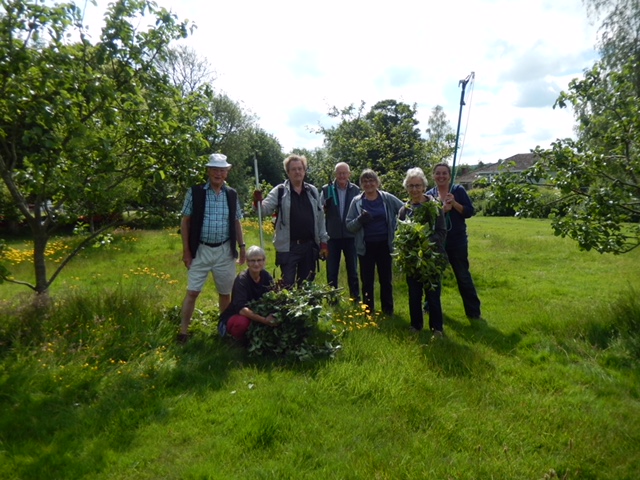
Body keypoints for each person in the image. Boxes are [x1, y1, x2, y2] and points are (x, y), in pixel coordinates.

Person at [178, 153, 246, 344]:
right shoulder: (196, 192)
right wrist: (186, 251)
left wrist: (242, 247)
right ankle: (183, 331)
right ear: (208, 171)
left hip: (225, 250)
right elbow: (185, 222)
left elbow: (236, 222)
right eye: (215, 169)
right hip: (200, 249)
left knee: (225, 293)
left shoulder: (231, 194)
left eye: (222, 170)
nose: (218, 173)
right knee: (192, 291)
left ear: (227, 172)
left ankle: (223, 330)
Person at [253, 154, 329, 288]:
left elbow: (320, 218)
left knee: (306, 285)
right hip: (288, 247)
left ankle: (307, 309)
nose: (297, 172)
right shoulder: (280, 191)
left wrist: (323, 242)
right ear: (288, 172)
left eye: (300, 168)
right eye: (293, 169)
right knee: (287, 284)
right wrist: (257, 201)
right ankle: (288, 309)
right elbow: (263, 211)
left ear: (304, 171)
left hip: (309, 246)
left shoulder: (312, 191)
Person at [427, 162, 482, 320]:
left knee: (463, 276)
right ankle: (429, 306)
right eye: (438, 173)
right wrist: (442, 211)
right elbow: (429, 220)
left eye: (444, 173)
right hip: (437, 242)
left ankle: (473, 313)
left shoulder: (457, 190)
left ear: (450, 176)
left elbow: (469, 212)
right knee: (433, 276)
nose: (441, 176)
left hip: (457, 241)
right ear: (433, 176)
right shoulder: (430, 194)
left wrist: (455, 204)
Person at [346, 169, 403, 315]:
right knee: (367, 281)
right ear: (361, 184)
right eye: (365, 181)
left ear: (377, 182)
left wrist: (398, 228)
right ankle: (368, 311)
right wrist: (359, 220)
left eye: (371, 180)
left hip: (385, 244)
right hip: (365, 247)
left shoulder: (386, 198)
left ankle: (388, 310)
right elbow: (349, 225)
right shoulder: (357, 202)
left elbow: (404, 209)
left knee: (386, 280)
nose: (368, 183)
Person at [398, 167, 447, 336]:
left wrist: (425, 243)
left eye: (417, 185)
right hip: (412, 261)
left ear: (424, 187)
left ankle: (437, 329)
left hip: (431, 259)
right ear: (407, 188)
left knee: (433, 295)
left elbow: (441, 232)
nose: (414, 189)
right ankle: (416, 326)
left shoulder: (434, 207)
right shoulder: (404, 210)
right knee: (414, 294)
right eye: (411, 186)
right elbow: (400, 235)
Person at [320, 162, 361, 302]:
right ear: (335, 174)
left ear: (349, 174)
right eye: (339, 173)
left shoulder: (356, 190)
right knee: (332, 271)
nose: (342, 176)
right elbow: (319, 212)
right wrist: (324, 207)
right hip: (332, 237)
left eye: (345, 173)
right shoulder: (326, 190)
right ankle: (332, 300)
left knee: (353, 271)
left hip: (351, 236)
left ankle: (355, 299)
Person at [218, 245, 276, 342]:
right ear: (247, 262)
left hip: (257, 313)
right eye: (252, 261)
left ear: (264, 261)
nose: (256, 264)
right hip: (238, 315)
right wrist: (264, 320)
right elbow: (242, 310)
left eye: (259, 260)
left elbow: (274, 298)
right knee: (242, 323)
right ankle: (234, 339)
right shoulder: (242, 280)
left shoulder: (267, 277)